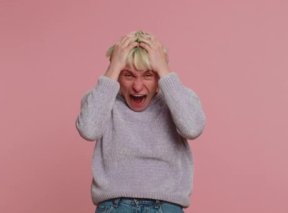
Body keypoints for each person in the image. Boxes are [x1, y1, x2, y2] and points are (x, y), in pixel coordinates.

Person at [76, 31, 206, 213]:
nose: (137, 87)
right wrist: (113, 68)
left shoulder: (177, 98)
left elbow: (193, 128)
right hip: (115, 206)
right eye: (128, 75)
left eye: (148, 75)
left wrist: (164, 70)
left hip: (166, 206)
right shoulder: (103, 99)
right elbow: (89, 130)